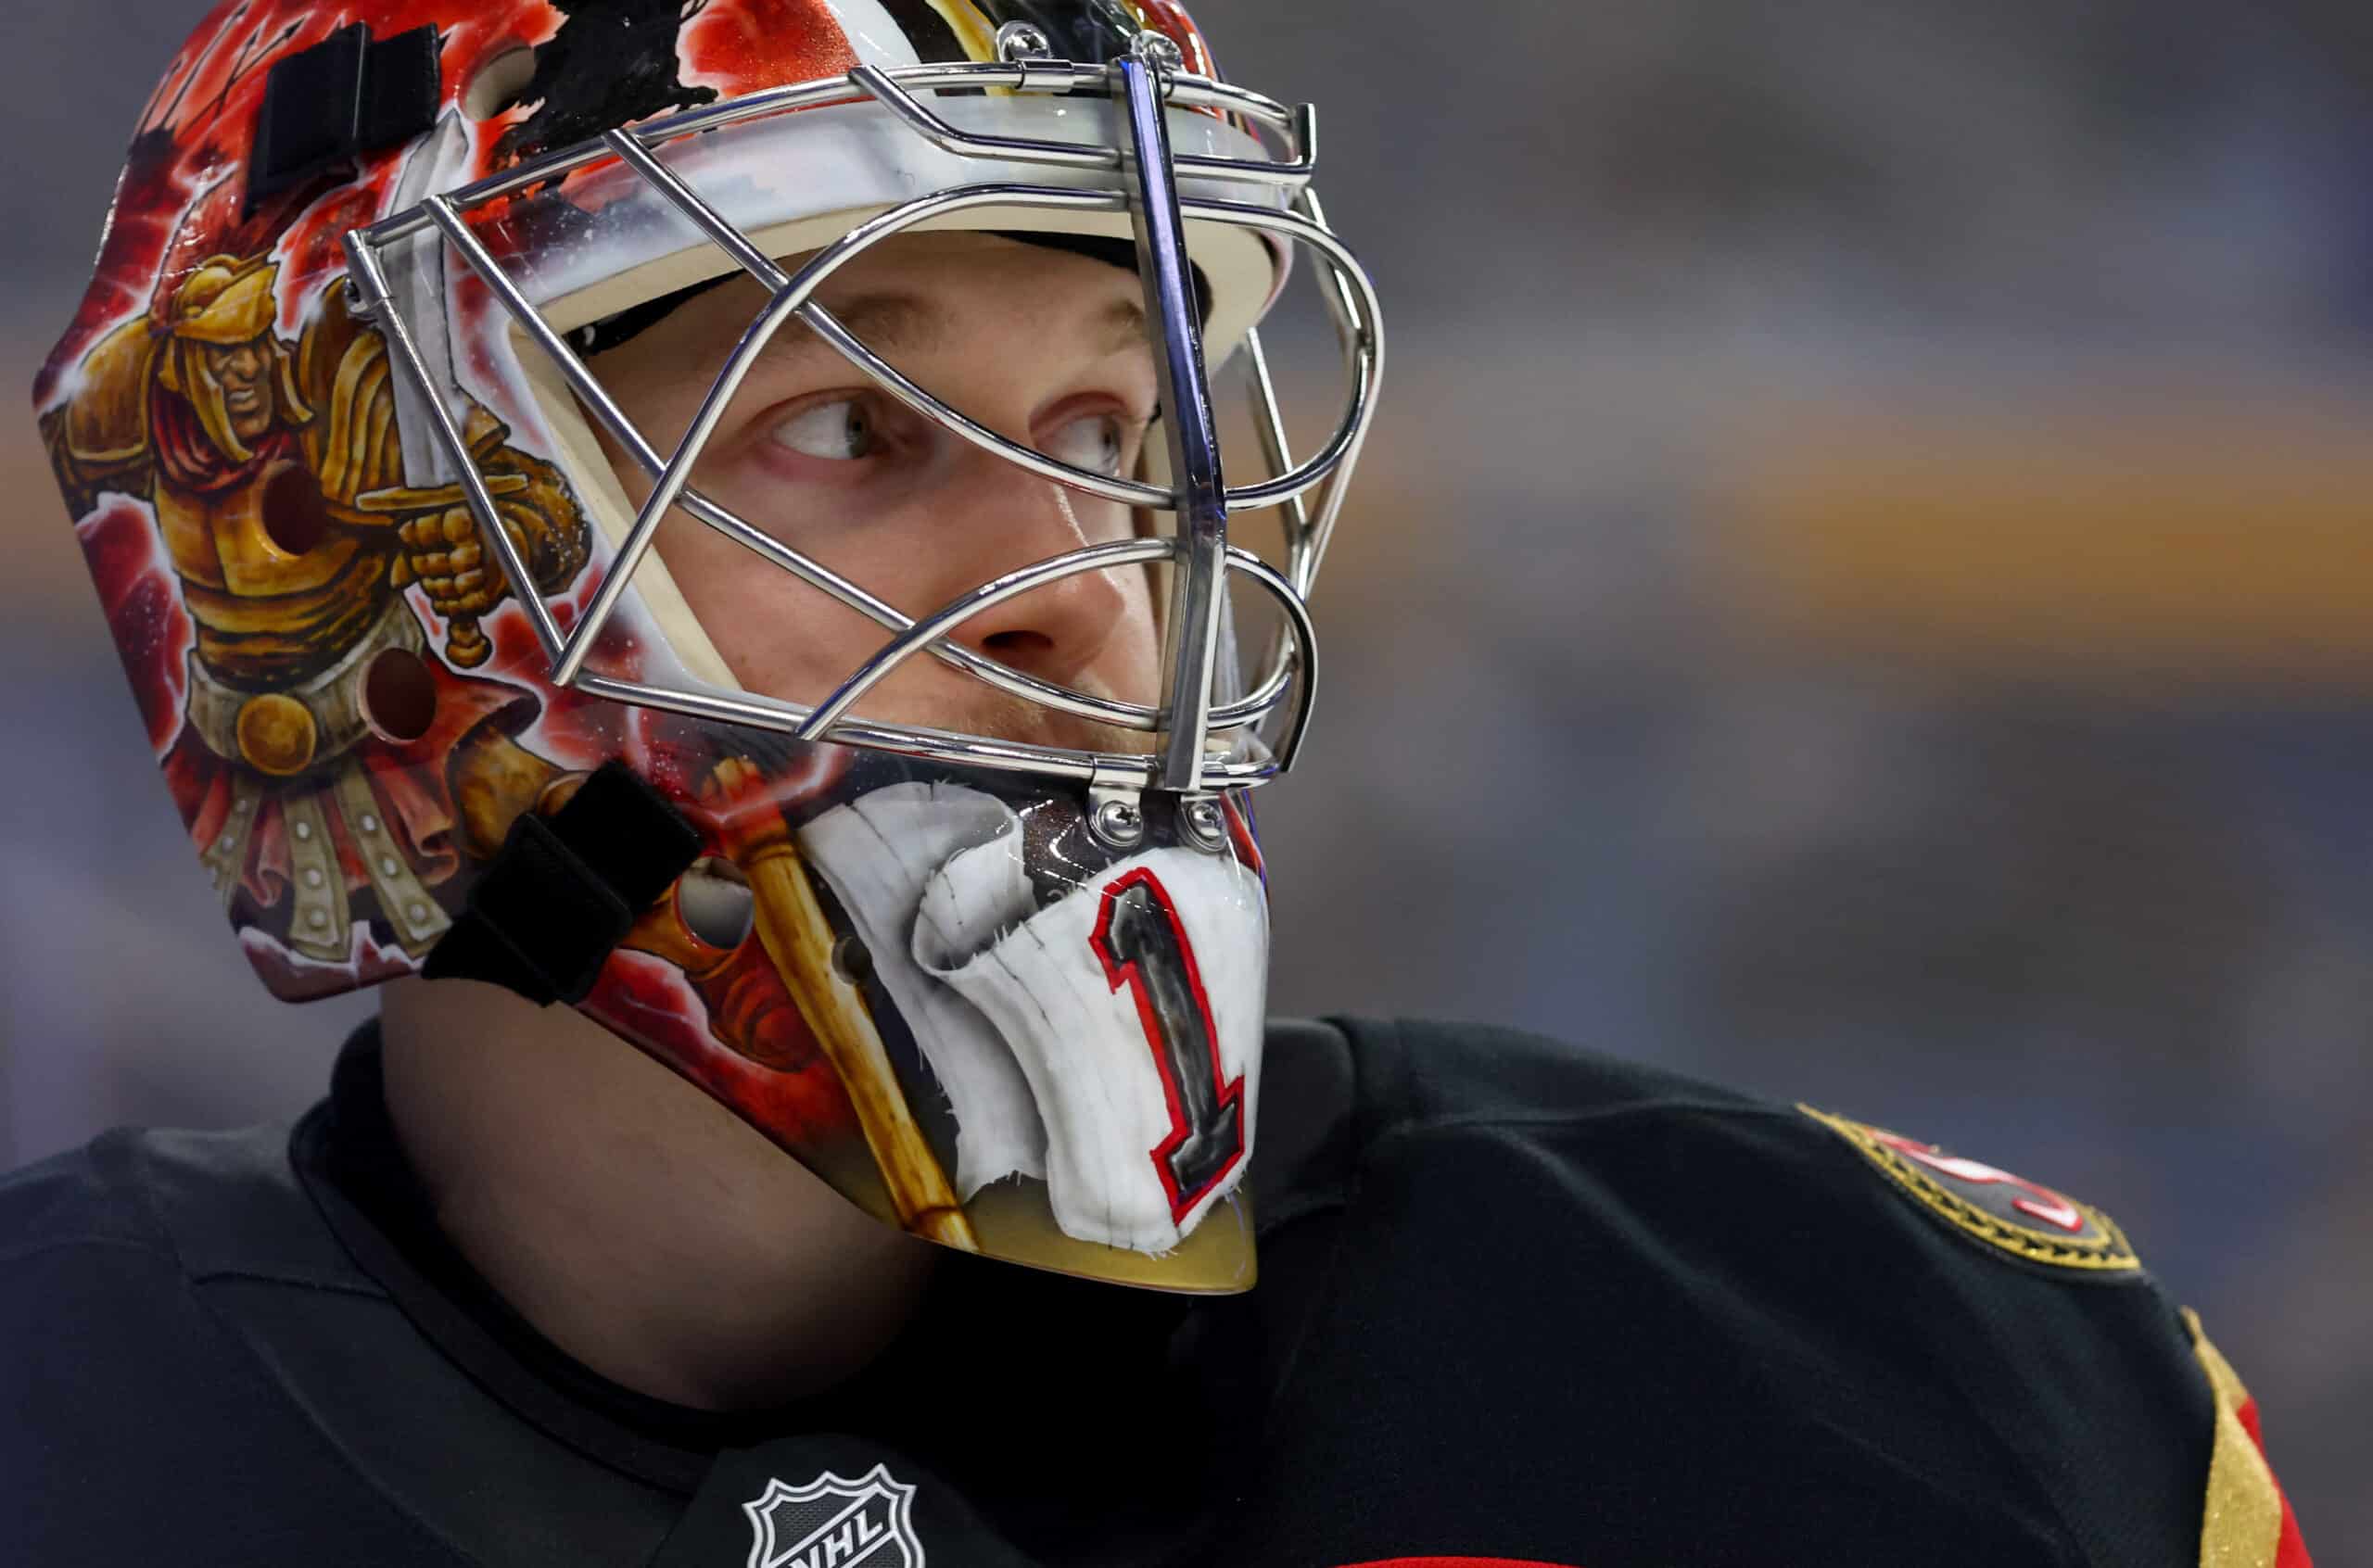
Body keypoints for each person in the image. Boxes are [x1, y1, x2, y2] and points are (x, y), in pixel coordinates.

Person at [3, 3, 2314, 1565]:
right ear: (354, 556)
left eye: (1113, 430)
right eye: (844, 427)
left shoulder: (1883, 1386)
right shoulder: (71, 1421)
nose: (1083, 591)